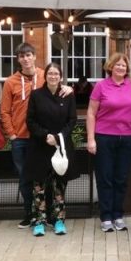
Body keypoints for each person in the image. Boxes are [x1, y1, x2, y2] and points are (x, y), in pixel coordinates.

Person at [0, 43, 72, 229]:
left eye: (29, 55)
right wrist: (12, 135)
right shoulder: (10, 82)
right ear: (18, 59)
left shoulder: (44, 74)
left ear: (34, 57)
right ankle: (30, 214)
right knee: (26, 179)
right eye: (22, 56)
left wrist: (69, 88)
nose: (25, 58)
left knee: (48, 178)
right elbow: (5, 111)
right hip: (21, 138)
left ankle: (48, 215)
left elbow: (57, 87)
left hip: (41, 139)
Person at [87, 52, 131, 232]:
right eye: (118, 65)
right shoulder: (101, 86)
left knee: (121, 178)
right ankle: (105, 217)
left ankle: (118, 215)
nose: (121, 68)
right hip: (104, 137)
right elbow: (91, 113)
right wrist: (90, 139)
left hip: (127, 138)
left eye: (124, 65)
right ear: (110, 66)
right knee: (105, 178)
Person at [26, 63, 79, 237]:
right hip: (40, 147)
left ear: (61, 76)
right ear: (45, 76)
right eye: (50, 73)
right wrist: (45, 136)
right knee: (39, 187)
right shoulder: (36, 95)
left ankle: (59, 221)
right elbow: (31, 121)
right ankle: (39, 222)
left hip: (61, 146)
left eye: (56, 74)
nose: (53, 76)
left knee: (59, 187)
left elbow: (72, 120)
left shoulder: (67, 95)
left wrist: (57, 137)